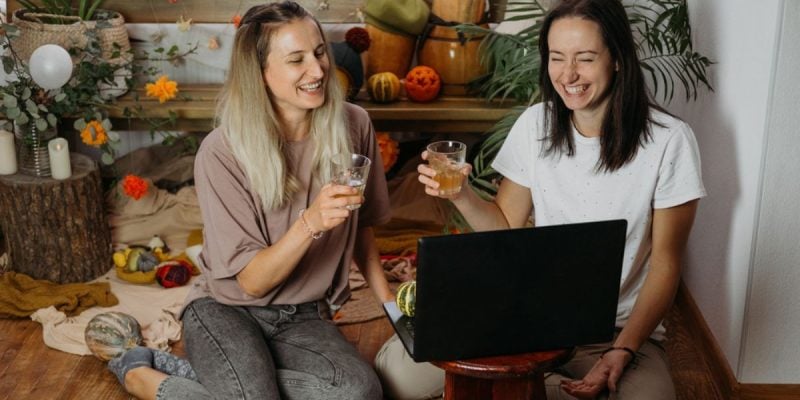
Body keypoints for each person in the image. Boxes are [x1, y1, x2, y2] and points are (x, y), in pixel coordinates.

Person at [374, 0, 706, 399]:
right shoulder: (536, 124)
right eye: (557, 58)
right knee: (397, 378)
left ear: (617, 59)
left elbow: (666, 264)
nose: (568, 75)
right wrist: (461, 195)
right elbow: (506, 226)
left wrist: (622, 349)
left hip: (614, 329)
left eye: (585, 59)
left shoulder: (669, 141)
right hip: (526, 316)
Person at [106, 2, 393, 399]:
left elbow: (364, 231)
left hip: (305, 315)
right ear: (260, 73)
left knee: (361, 392)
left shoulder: (354, 124)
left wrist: (395, 310)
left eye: (320, 52)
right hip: (225, 310)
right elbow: (252, 283)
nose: (318, 70)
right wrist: (310, 221)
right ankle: (142, 374)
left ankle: (198, 379)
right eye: (297, 60)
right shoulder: (222, 152)